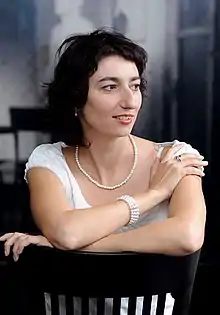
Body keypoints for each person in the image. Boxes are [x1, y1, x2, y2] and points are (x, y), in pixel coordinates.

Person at [0, 28, 208, 314]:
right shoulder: (48, 161)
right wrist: (155, 193)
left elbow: (187, 235)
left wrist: (70, 247)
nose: (130, 101)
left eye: (134, 86)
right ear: (76, 98)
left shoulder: (176, 158)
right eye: (110, 87)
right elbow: (65, 231)